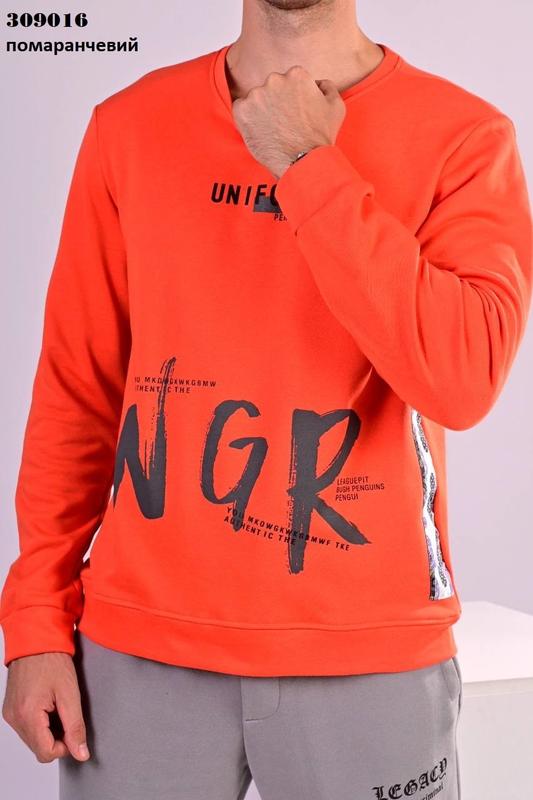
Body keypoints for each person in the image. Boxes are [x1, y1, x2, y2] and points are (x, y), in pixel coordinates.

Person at [1, 0, 532, 797]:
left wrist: (308, 163)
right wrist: (35, 620)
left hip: (367, 652)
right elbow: (78, 389)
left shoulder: (463, 136)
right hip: (140, 653)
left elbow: (461, 379)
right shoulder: (129, 126)